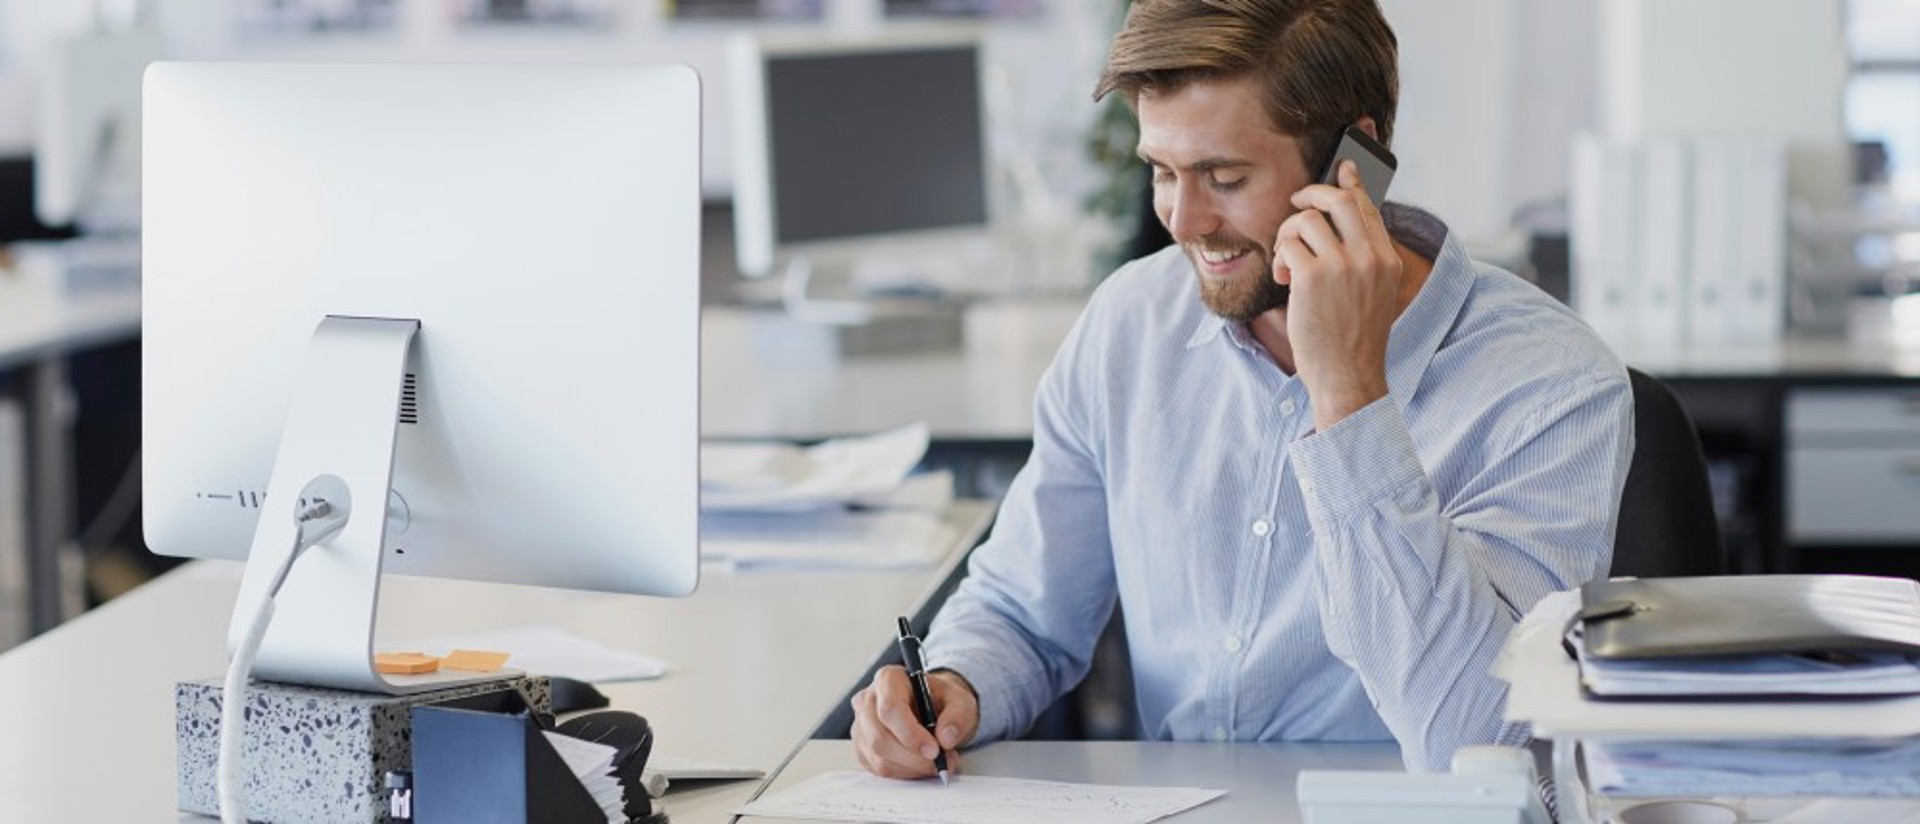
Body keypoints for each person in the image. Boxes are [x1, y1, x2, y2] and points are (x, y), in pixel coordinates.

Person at [850, 0, 1633, 776]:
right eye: (1161, 171)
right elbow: (1024, 609)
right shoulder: (1131, 324)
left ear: (1351, 162)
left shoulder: (1552, 386)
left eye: (1224, 177)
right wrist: (956, 684)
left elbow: (1482, 740)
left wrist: (1350, 400)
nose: (1183, 220)